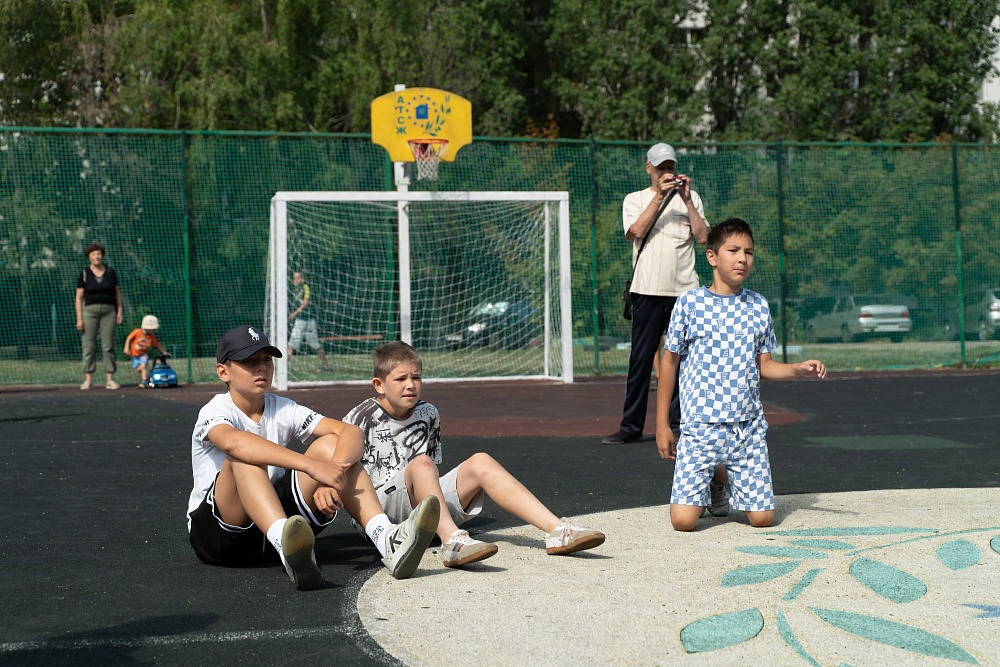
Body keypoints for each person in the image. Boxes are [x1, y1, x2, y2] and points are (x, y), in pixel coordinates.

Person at [186, 325, 441, 590]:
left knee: (331, 444)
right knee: (243, 457)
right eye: (249, 361)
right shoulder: (215, 410)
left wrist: (332, 476)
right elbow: (233, 442)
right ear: (223, 372)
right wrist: (312, 466)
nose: (261, 367)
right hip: (218, 536)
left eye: (266, 359)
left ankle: (385, 538)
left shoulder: (283, 408)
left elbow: (351, 432)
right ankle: (285, 542)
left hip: (269, 527)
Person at [343, 341, 606, 568]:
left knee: (480, 461)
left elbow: (430, 470)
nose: (410, 385)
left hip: (419, 503)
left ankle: (557, 531)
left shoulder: (428, 413)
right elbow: (344, 472)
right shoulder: (361, 417)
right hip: (381, 515)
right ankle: (452, 543)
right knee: (422, 463)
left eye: (417, 377)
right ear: (379, 385)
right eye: (400, 379)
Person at [655, 218, 827, 531]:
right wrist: (662, 424)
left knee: (763, 519)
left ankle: (720, 477)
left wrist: (797, 369)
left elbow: (765, 366)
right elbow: (669, 363)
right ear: (712, 256)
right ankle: (716, 478)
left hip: (746, 430)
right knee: (683, 522)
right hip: (699, 427)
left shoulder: (758, 305)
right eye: (733, 250)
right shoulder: (689, 304)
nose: (742, 259)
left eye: (748, 252)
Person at [603, 143, 709, 446]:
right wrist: (660, 197)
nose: (667, 172)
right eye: (661, 167)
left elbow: (703, 237)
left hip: (685, 291)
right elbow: (636, 231)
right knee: (640, 359)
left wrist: (686, 200)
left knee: (683, 359)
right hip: (647, 289)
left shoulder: (691, 198)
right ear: (649, 168)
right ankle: (631, 426)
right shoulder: (635, 199)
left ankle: (679, 424)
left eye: (670, 167)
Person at [75, 242, 123, 390]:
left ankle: (109, 379)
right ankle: (88, 379)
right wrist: (79, 318)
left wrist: (119, 311)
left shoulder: (110, 272)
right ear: (89, 257)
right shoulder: (84, 274)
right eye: (93, 254)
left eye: (99, 254)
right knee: (89, 345)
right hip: (89, 311)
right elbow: (79, 297)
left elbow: (117, 293)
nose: (96, 256)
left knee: (108, 345)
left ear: (102, 256)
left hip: (109, 311)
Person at [288, 271, 330, 372]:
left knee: (314, 344)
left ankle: (326, 366)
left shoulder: (306, 287)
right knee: (292, 345)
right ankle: (282, 367)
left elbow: (305, 302)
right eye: (294, 278)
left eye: (298, 278)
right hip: (302, 320)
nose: (296, 280)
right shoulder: (295, 290)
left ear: (303, 278)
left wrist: (295, 313)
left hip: (307, 320)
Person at [124, 314, 168, 388]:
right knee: (139, 369)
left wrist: (164, 352)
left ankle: (144, 382)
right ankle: (148, 381)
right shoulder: (137, 332)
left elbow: (157, 344)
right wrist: (126, 348)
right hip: (134, 355)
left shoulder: (151, 336)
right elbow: (129, 338)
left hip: (143, 354)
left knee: (143, 366)